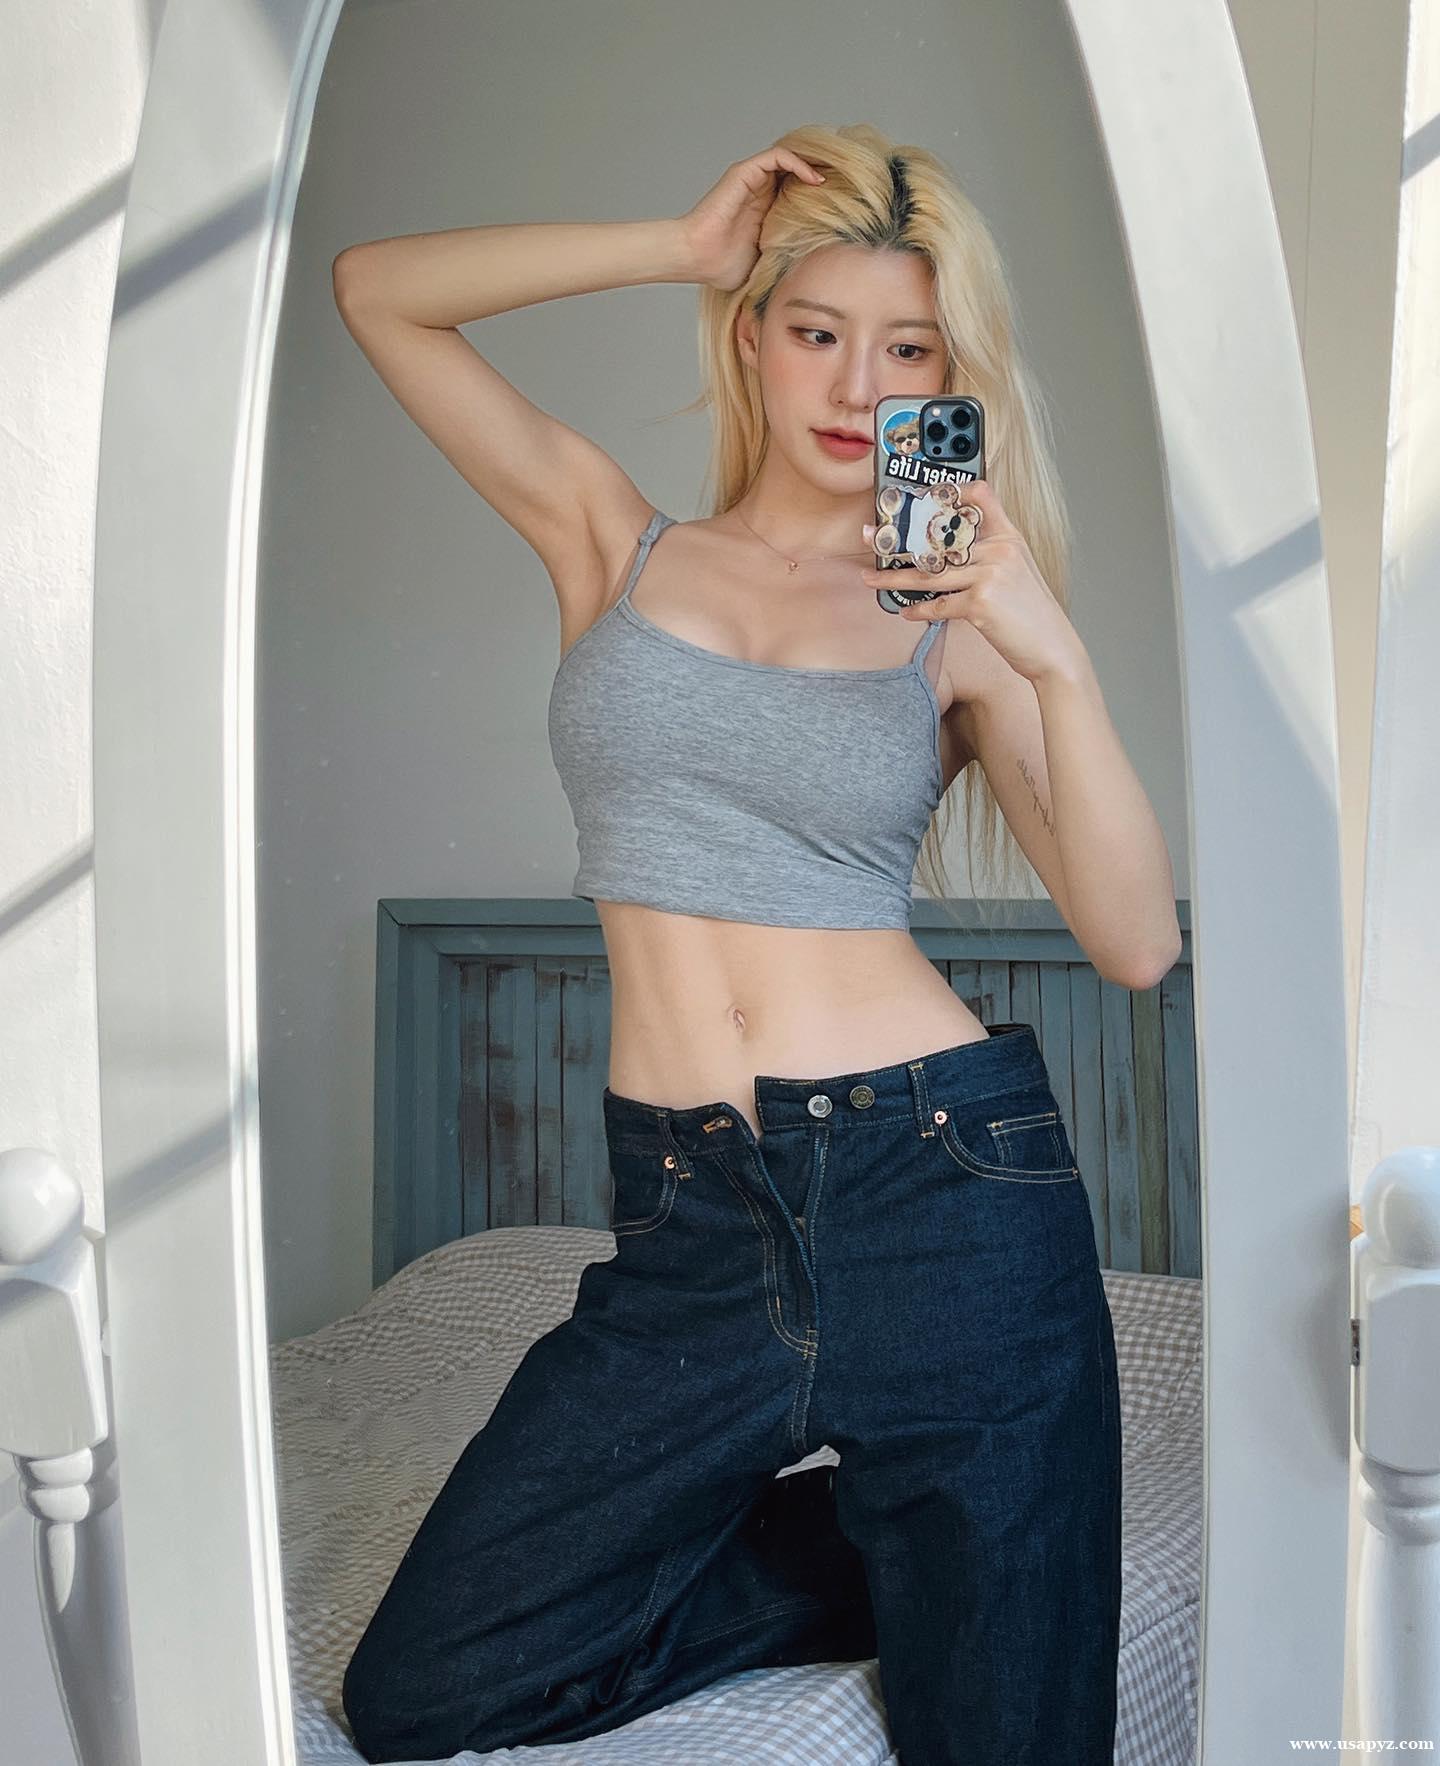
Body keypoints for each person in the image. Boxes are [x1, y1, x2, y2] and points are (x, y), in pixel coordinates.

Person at [332, 122, 1181, 1765]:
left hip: (946, 1196)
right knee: (429, 1683)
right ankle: (895, 1545)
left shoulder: (951, 617)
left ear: (953, 374)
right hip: (694, 1217)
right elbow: (379, 293)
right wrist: (677, 241)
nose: (858, 385)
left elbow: (1135, 941)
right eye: (817, 330)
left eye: (908, 349)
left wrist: (1056, 659)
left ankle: (958, 1535)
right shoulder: (615, 541)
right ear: (751, 336)